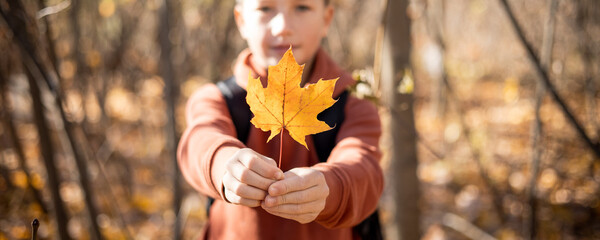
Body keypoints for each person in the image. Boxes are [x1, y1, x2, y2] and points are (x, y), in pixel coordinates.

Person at [177, 0, 383, 239]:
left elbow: (363, 167)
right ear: (241, 20)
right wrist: (225, 164)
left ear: (326, 19)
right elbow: (200, 140)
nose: (283, 26)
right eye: (265, 8)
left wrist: (331, 186)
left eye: (302, 7)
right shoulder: (219, 99)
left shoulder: (353, 103)